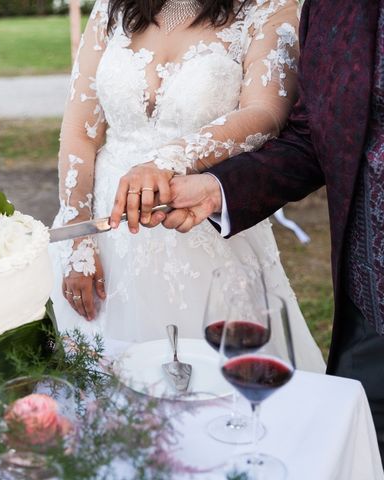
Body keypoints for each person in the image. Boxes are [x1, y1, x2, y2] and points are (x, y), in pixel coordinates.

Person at [110, 0, 384, 457]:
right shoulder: (333, 6)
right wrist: (216, 190)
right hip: (368, 308)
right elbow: (310, 139)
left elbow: (265, 112)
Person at [49, 0, 325, 372]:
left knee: (217, 390)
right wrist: (76, 235)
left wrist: (169, 161)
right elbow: (79, 131)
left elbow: (265, 114)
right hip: (104, 236)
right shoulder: (110, 7)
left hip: (204, 229)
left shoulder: (269, 8)